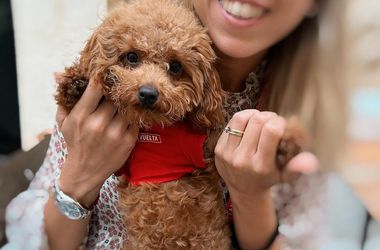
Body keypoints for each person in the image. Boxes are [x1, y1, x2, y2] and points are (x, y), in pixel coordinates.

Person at [4, 0, 347, 249]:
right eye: (133, 59)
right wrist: (78, 178)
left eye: (176, 68)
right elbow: (29, 236)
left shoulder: (312, 118)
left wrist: (250, 198)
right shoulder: (104, 79)